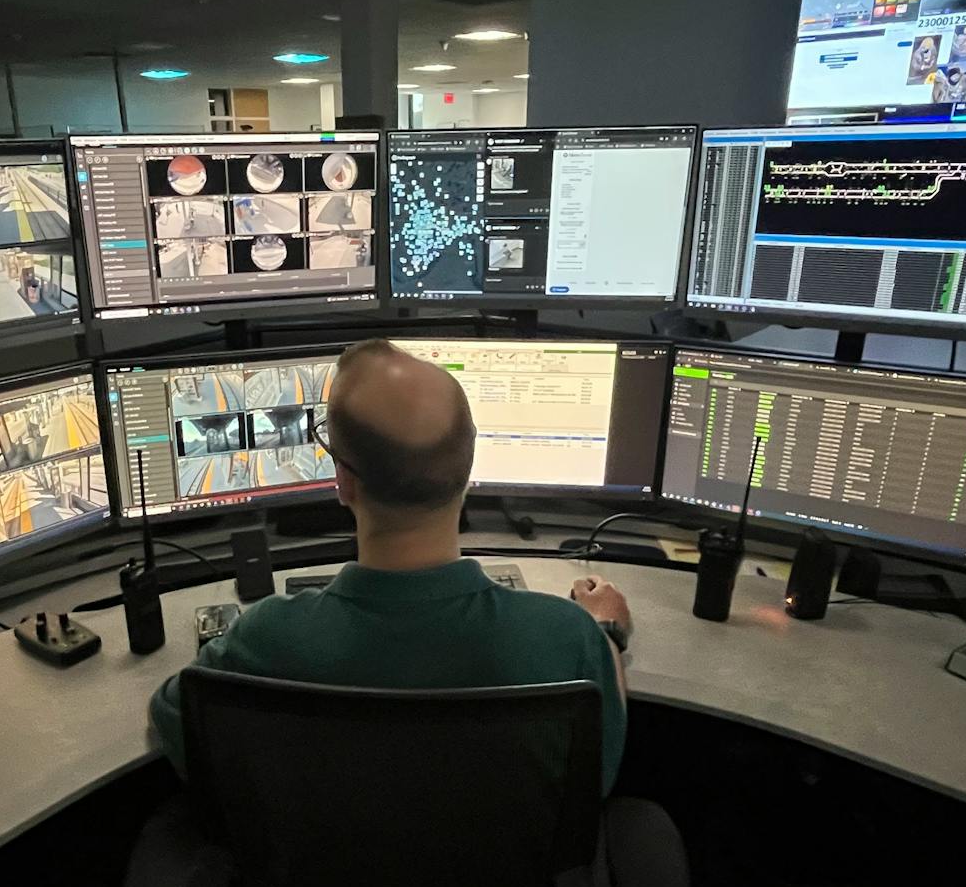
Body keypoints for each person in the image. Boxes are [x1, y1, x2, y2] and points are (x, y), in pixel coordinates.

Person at [149, 339, 631, 794]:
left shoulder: (265, 637)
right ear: (469, 468)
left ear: (343, 483)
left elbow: (171, 716)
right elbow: (598, 780)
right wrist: (605, 633)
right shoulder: (566, 636)